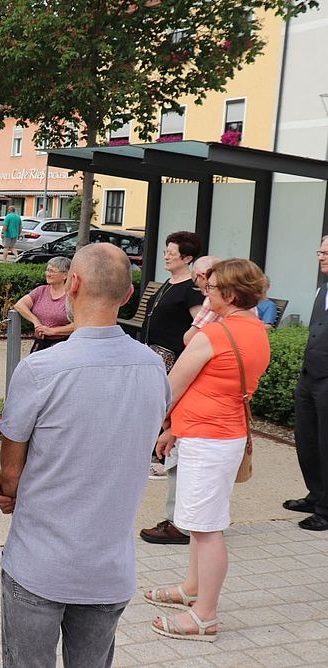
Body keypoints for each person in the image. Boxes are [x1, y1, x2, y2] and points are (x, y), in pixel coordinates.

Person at [0, 244, 169, 668]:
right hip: (109, 568)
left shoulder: (39, 371)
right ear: (128, 296)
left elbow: (10, 470)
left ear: (72, 284)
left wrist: (9, 489)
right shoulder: (153, 368)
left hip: (39, 560)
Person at [147, 259, 271, 641]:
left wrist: (159, 425)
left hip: (208, 438)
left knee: (206, 528)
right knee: (202, 523)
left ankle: (205, 615)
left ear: (230, 295)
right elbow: (215, 387)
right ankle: (192, 588)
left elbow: (173, 386)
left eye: (211, 289)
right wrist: (175, 430)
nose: (204, 292)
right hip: (219, 433)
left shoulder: (214, 334)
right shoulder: (255, 329)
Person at [140, 230, 204, 496]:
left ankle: (159, 457)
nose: (166, 255)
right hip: (151, 352)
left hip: (171, 356)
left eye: (172, 252)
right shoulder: (169, 283)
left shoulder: (191, 289)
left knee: (161, 404)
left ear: (187, 258)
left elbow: (199, 325)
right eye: (166, 250)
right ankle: (150, 452)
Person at [283, 236, 328, 530]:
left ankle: (326, 509)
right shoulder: (322, 289)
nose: (320, 256)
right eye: (320, 251)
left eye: (325, 252)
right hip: (310, 377)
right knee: (308, 440)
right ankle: (316, 494)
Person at [12, 257, 74, 352]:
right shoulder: (41, 290)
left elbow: (80, 324)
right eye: (47, 270)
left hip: (63, 346)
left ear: (65, 275)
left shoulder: (72, 296)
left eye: (52, 271)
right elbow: (19, 305)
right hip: (40, 343)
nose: (48, 274)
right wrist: (36, 322)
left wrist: (52, 331)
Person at [182, 256, 221, 347]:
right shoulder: (242, 296)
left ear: (201, 276)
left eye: (197, 284)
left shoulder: (213, 298)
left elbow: (188, 339)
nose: (203, 293)